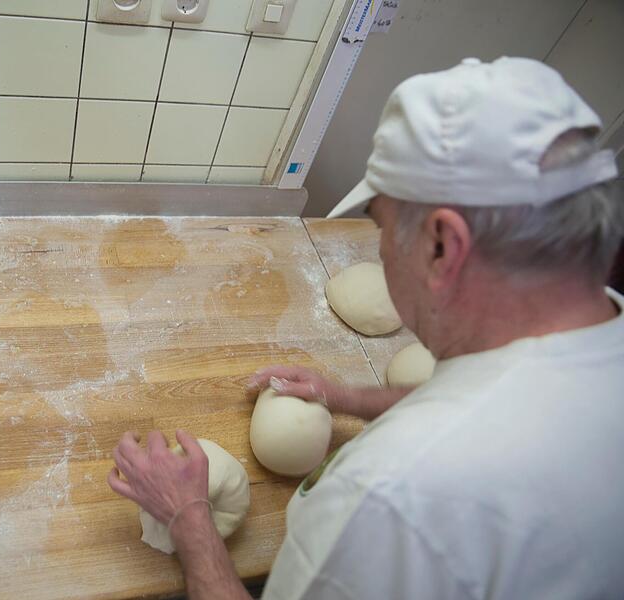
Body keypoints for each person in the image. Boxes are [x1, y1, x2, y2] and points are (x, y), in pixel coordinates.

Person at [107, 57, 624, 599]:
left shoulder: (390, 495)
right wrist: (346, 397)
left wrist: (188, 516)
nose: (381, 253)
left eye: (384, 228)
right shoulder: (598, 331)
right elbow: (499, 408)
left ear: (443, 246)